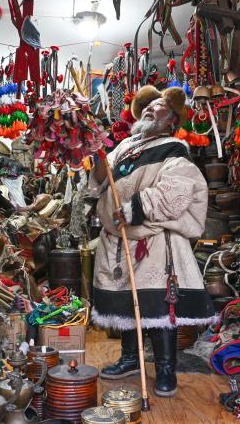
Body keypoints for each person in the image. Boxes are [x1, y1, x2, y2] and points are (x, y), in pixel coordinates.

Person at [89, 85, 215, 397]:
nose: (149, 108)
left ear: (172, 120)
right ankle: (130, 359)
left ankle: (166, 369)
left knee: (158, 307)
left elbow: (178, 188)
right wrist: (95, 152)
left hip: (154, 240)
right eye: (147, 105)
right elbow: (101, 180)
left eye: (159, 106)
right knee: (126, 302)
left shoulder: (174, 148)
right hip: (118, 239)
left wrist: (134, 209)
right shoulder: (124, 147)